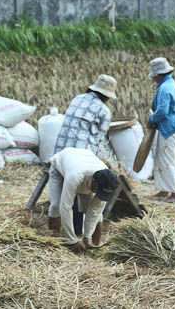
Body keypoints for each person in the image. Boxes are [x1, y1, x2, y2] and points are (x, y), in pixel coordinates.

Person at [52, 74, 116, 234]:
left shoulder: (78, 99)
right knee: (79, 197)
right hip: (80, 158)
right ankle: (77, 231)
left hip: (60, 152)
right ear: (108, 96)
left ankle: (64, 232)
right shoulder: (104, 111)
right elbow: (98, 140)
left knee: (62, 197)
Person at [47, 148, 119, 253]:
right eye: (97, 190)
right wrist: (72, 240)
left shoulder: (107, 180)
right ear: (94, 182)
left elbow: (95, 211)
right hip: (61, 167)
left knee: (98, 215)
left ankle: (94, 243)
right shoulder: (75, 177)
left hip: (83, 164)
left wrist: (87, 237)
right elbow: (66, 207)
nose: (98, 194)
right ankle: (54, 238)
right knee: (56, 205)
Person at [146, 57, 175, 203]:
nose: (153, 80)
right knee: (172, 161)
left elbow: (162, 111)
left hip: (170, 130)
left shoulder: (164, 88)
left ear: (159, 74)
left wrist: (151, 120)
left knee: (167, 162)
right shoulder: (173, 85)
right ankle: (164, 191)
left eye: (154, 77)